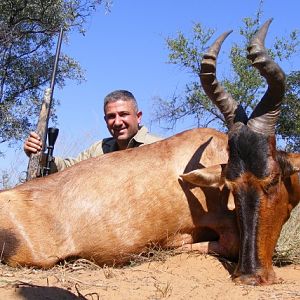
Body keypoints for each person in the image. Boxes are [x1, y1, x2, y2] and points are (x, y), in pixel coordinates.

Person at [24, 90, 162, 172]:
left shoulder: (159, 147)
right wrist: (40, 156)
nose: (118, 122)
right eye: (111, 116)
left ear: (138, 117)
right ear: (105, 120)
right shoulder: (99, 149)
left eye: (123, 114)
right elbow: (69, 168)